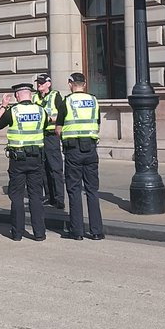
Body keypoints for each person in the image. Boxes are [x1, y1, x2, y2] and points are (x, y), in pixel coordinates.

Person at [0, 82, 48, 242]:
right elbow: (45, 127)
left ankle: (17, 233)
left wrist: (3, 106)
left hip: (18, 159)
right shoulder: (41, 110)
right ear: (30, 94)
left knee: (17, 196)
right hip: (36, 158)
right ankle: (39, 233)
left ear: (17, 96)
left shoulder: (13, 111)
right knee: (36, 195)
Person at [55, 72, 103, 241]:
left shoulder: (66, 101)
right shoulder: (94, 100)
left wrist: (63, 137)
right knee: (92, 190)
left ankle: (77, 231)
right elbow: (97, 123)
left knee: (74, 189)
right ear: (84, 84)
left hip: (73, 150)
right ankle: (97, 231)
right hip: (90, 148)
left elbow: (58, 128)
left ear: (70, 83)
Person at [32, 73, 65, 209]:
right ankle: (49, 196)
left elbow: (63, 115)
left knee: (55, 168)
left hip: (51, 136)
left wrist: (51, 119)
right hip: (39, 136)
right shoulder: (34, 97)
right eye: (38, 83)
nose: (39, 85)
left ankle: (59, 198)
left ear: (48, 84)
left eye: (42, 83)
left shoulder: (55, 96)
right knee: (43, 168)